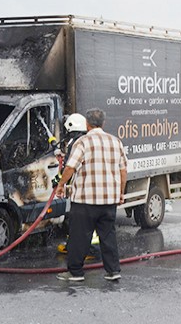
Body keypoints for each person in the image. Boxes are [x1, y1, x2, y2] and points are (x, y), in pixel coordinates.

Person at [55, 108, 127, 282]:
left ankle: (75, 272)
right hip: (109, 199)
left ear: (87, 124)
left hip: (85, 200)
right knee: (108, 235)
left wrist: (61, 184)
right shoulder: (115, 142)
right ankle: (113, 270)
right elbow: (123, 170)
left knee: (79, 237)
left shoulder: (83, 142)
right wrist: (121, 193)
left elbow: (71, 167)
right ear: (103, 123)